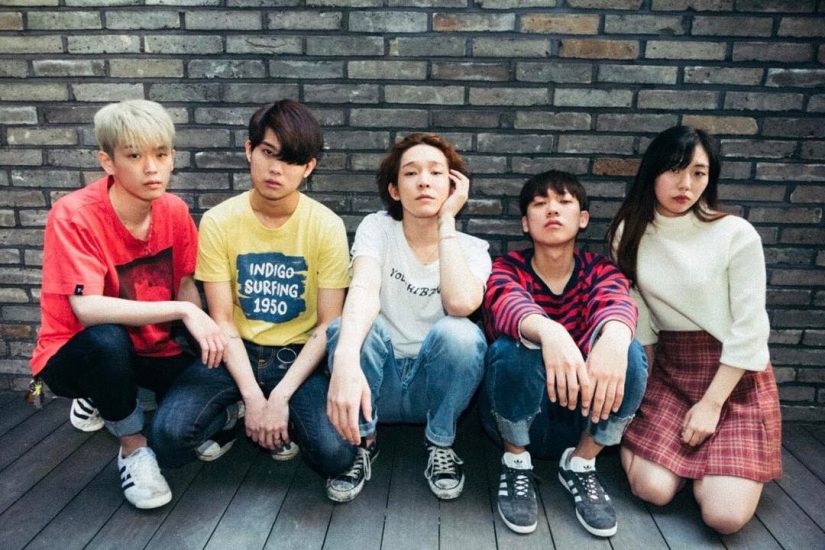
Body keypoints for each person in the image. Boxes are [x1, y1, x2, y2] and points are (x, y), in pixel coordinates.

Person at [30, 99, 226, 509]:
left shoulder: (174, 211)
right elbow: (87, 310)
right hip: (76, 350)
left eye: (161, 154)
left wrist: (201, 339)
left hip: (151, 347)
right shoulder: (74, 215)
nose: (152, 168)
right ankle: (133, 447)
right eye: (135, 156)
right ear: (108, 161)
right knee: (107, 343)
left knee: (211, 391)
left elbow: (185, 283)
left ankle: (117, 395)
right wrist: (185, 311)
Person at [150, 100, 356, 482]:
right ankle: (236, 413)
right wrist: (251, 395)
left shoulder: (326, 226)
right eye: (267, 152)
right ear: (249, 151)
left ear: (309, 167)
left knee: (337, 454)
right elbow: (223, 320)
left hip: (298, 358)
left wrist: (279, 397)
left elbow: (328, 325)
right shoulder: (219, 221)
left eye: (291, 160)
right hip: (233, 354)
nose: (276, 169)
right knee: (167, 438)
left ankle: (283, 418)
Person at [607, 125, 782, 534]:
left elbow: (750, 329)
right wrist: (641, 395)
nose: (685, 184)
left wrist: (711, 405)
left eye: (698, 173)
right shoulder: (628, 233)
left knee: (724, 517)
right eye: (674, 169)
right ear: (652, 172)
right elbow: (641, 320)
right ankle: (685, 464)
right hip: (672, 371)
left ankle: (711, 467)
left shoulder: (735, 234)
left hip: (734, 378)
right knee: (651, 489)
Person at [325, 133, 491, 503]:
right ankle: (363, 441)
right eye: (411, 173)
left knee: (461, 334)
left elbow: (461, 303)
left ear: (453, 186)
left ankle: (440, 442)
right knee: (348, 329)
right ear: (395, 190)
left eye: (436, 172)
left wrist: (447, 223)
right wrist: (345, 358)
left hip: (432, 388)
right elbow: (364, 288)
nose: (424, 182)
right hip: (375, 381)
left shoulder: (473, 250)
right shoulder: (377, 228)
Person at [481, 170, 647, 537]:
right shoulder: (506, 268)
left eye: (564, 202)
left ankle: (581, 465)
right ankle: (515, 463)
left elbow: (616, 303)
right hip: (517, 419)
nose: (552, 210)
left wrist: (615, 336)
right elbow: (506, 303)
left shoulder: (599, 270)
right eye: (540, 204)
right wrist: (551, 332)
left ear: (583, 218)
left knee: (629, 351)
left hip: (584, 421)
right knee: (511, 348)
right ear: (525, 223)